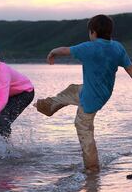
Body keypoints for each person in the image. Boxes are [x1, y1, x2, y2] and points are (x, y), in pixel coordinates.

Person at [34, 14, 132, 173]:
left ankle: (92, 168)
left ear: (93, 32)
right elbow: (130, 69)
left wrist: (52, 52)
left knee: (83, 127)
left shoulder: (88, 47)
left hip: (91, 99)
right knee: (73, 89)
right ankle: (47, 106)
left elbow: (65, 50)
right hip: (100, 92)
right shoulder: (117, 47)